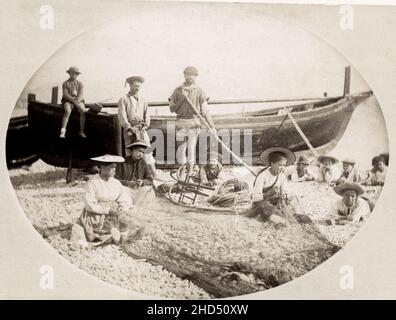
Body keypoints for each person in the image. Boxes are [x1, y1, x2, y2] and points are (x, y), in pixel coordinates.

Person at [244, 147, 310, 225]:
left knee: (293, 200)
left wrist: (284, 195)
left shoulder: (281, 176)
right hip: (262, 204)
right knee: (269, 211)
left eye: (284, 165)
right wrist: (268, 194)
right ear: (272, 164)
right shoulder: (263, 176)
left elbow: (284, 191)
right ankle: (281, 219)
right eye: (280, 165)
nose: (282, 168)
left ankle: (286, 217)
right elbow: (254, 198)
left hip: (275, 202)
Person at [76, 154, 133, 246]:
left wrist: (121, 207)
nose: (115, 170)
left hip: (114, 212)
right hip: (96, 215)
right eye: (112, 167)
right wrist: (107, 210)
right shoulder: (92, 183)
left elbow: (124, 199)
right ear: (102, 167)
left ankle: (120, 236)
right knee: (106, 230)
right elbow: (89, 205)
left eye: (115, 167)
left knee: (127, 223)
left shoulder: (116, 183)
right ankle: (110, 235)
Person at [169, 66, 215, 177]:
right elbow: (172, 109)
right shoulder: (177, 90)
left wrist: (212, 127)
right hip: (181, 122)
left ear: (195, 77)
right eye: (187, 74)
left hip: (194, 123)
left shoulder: (199, 91)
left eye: (192, 75)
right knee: (181, 150)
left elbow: (205, 111)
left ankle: (189, 174)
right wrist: (182, 99)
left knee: (191, 150)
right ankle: (182, 172)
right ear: (184, 75)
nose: (190, 77)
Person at [117, 76, 158, 179]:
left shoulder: (143, 100)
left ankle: (154, 174)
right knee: (131, 152)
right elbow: (122, 115)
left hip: (142, 129)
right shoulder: (123, 99)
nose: (137, 88)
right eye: (135, 86)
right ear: (130, 86)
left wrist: (146, 125)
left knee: (147, 150)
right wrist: (128, 126)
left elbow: (147, 115)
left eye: (139, 86)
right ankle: (131, 175)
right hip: (130, 129)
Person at [60, 66, 87, 138]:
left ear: (77, 75)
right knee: (67, 111)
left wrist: (76, 102)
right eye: (73, 74)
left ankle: (81, 131)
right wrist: (73, 102)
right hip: (68, 101)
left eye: (76, 74)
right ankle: (63, 131)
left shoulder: (80, 84)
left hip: (78, 100)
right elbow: (65, 95)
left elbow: (81, 95)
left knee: (83, 111)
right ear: (69, 74)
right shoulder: (65, 83)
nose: (74, 75)